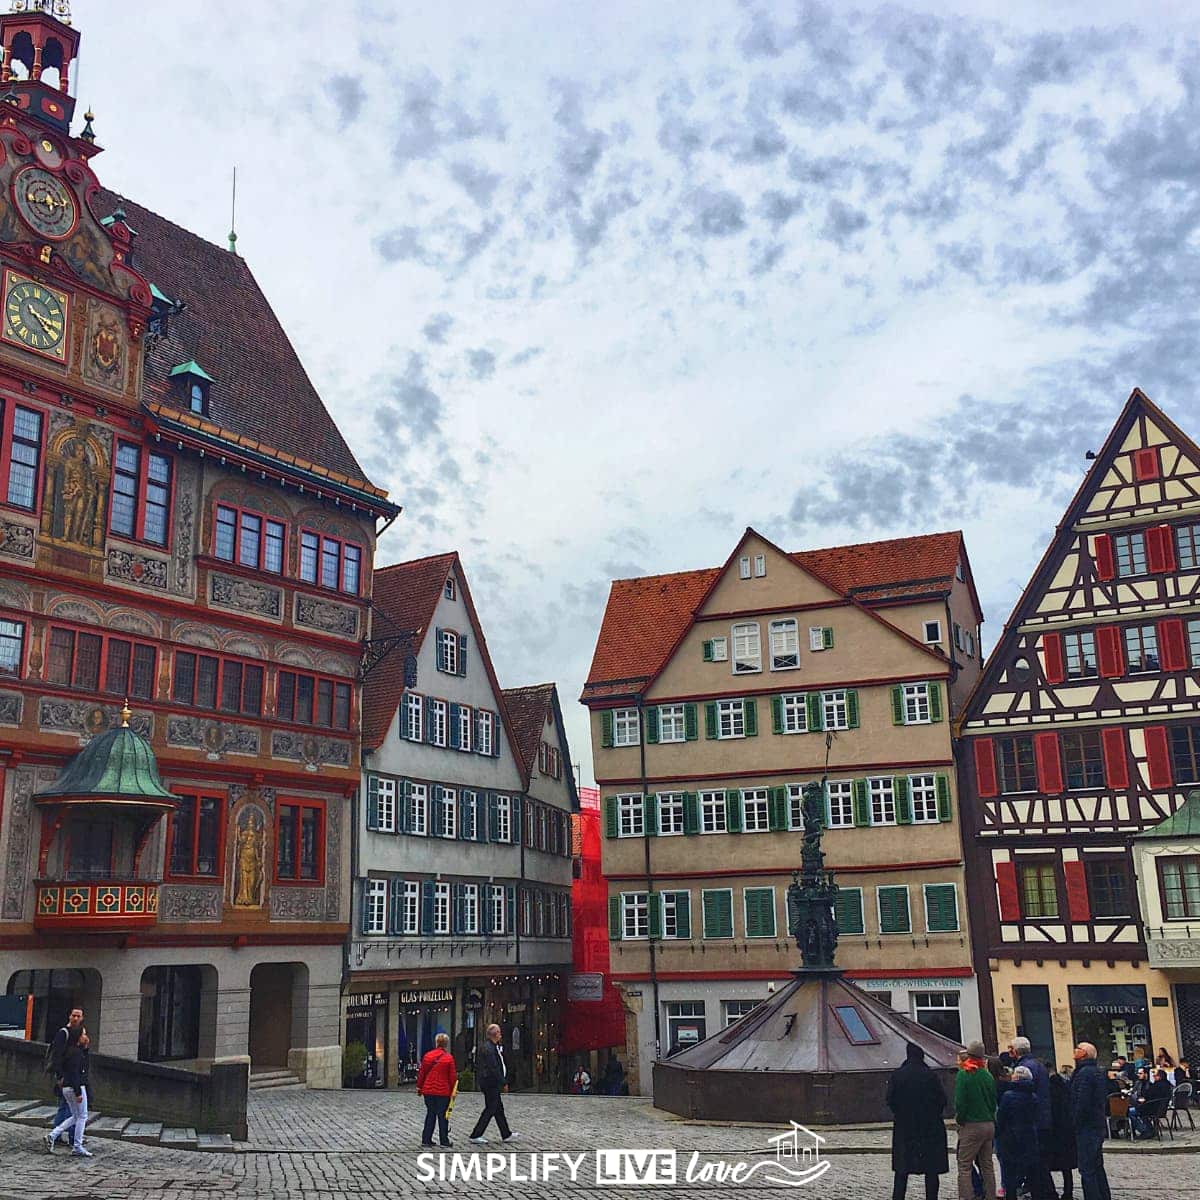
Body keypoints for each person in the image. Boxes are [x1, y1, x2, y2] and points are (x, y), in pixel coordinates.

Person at [887, 1042, 949, 1200]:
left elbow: (890, 1099)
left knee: (902, 1170)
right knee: (931, 1170)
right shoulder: (930, 1075)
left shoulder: (898, 1075)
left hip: (905, 1128)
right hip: (930, 1128)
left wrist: (901, 1114)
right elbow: (942, 1099)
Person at [955, 1040, 997, 1200]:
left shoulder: (964, 1074)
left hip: (972, 1125)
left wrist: (961, 1120)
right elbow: (993, 1101)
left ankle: (967, 1196)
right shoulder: (987, 1075)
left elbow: (960, 1102)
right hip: (989, 1124)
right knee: (987, 1164)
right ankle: (991, 1196)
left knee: (964, 1165)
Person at [1012, 1037, 1053, 1200]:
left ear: (1015, 1051)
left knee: (1034, 1162)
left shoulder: (1024, 1068)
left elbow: (1024, 1095)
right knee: (1041, 1162)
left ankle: (1042, 1192)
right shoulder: (1039, 1065)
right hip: (1043, 1118)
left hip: (1032, 1121)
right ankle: (1047, 1192)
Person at [1070, 1042, 1111, 1200]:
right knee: (1096, 1166)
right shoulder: (1095, 1071)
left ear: (1085, 1053)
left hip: (1087, 1127)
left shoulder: (1085, 1073)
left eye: (1078, 1048)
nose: (1075, 1050)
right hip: (1095, 1124)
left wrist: (1075, 1121)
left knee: (1087, 1168)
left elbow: (1082, 1101)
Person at [468, 1023, 517, 1145]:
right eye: (499, 1032)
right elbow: (493, 1067)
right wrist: (503, 1082)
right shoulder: (489, 1048)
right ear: (495, 1034)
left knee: (498, 1109)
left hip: (490, 1082)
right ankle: (476, 1134)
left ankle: (506, 1133)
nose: (501, 1035)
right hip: (490, 1083)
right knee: (490, 1108)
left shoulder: (492, 1046)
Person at [45, 1026, 91, 1157]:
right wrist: (78, 1093)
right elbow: (76, 1072)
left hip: (67, 1087)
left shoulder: (71, 1051)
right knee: (82, 1116)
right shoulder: (76, 1053)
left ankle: (53, 1135)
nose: (86, 1037)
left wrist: (86, 1048)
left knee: (75, 1116)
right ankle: (77, 1145)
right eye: (83, 1035)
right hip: (75, 1086)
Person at [996, 1065, 1038, 1200]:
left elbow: (1001, 1117)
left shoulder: (1008, 1096)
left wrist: (998, 1132)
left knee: (1009, 1172)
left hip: (1010, 1137)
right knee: (1028, 1169)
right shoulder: (1033, 1096)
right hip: (1028, 1136)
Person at [416, 1031, 457, 1148]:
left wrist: (419, 1087)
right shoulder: (449, 1058)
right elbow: (452, 1077)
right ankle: (444, 1140)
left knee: (430, 1114)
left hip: (428, 1091)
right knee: (443, 1116)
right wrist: (453, 1091)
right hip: (443, 1092)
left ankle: (426, 1139)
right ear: (446, 1044)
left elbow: (422, 1073)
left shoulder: (428, 1056)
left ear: (436, 1043)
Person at [1047, 1066, 1077, 1200]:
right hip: (1067, 1131)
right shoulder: (1066, 1088)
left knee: (1047, 1163)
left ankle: (1051, 1192)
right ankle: (1068, 1192)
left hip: (1054, 1131)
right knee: (1066, 1167)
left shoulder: (1050, 1090)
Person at [1131, 1069, 1172, 1139]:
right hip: (1161, 1108)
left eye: (1155, 1075)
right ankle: (1150, 1130)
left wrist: (1144, 1100)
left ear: (1160, 1076)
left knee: (1130, 1112)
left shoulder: (1156, 1086)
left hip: (1151, 1108)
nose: (1153, 1077)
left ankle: (1145, 1130)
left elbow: (1150, 1095)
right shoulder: (1167, 1084)